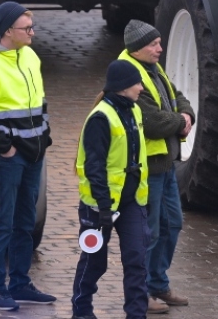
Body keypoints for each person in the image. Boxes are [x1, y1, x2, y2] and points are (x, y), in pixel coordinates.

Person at [0, 2, 55, 312]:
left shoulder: (30, 56)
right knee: (2, 222)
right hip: (7, 158)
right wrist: (6, 147)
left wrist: (44, 139)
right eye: (26, 28)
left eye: (32, 27)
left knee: (25, 221)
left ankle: (20, 283)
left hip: (33, 154)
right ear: (7, 31)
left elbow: (39, 103)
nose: (32, 32)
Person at [118, 20, 195, 314]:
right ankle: (143, 291)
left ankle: (158, 282)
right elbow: (152, 122)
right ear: (137, 47)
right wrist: (181, 123)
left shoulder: (154, 69)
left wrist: (186, 115)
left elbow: (179, 98)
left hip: (166, 165)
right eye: (154, 44)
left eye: (160, 43)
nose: (160, 49)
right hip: (147, 168)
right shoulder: (129, 73)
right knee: (148, 231)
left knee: (171, 224)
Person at [71, 61, 151, 319]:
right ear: (123, 86)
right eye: (137, 82)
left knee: (137, 261)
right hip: (99, 206)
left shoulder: (134, 111)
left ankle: (136, 315)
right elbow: (94, 167)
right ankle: (81, 311)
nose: (141, 87)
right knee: (94, 262)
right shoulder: (100, 118)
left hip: (131, 202)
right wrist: (104, 207)